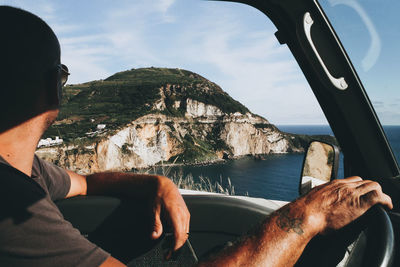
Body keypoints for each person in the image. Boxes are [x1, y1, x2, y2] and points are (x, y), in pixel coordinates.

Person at [0, 6, 393, 267]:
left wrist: (158, 182)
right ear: (53, 85)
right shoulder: (12, 203)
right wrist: (307, 215)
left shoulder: (27, 173)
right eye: (62, 73)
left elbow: (86, 182)